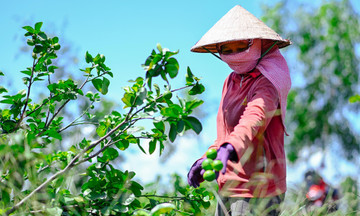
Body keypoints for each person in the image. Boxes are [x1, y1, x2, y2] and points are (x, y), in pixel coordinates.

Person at [187, 5, 292, 216]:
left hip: (257, 188)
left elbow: (255, 118)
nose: (235, 54)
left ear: (258, 44)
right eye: (227, 49)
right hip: (228, 184)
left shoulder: (267, 82)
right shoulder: (231, 81)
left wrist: (230, 149)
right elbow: (227, 132)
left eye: (241, 45)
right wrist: (207, 156)